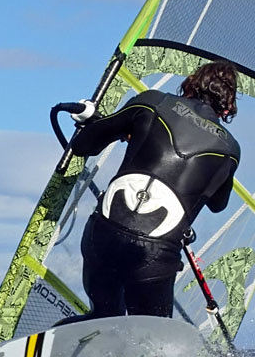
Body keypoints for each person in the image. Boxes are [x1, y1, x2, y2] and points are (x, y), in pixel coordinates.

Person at [65, 61, 240, 320]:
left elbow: (83, 145)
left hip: (105, 235)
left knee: (102, 318)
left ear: (190, 84)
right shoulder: (230, 150)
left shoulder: (152, 102)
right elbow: (217, 204)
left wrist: (104, 125)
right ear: (227, 106)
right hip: (156, 253)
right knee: (150, 341)